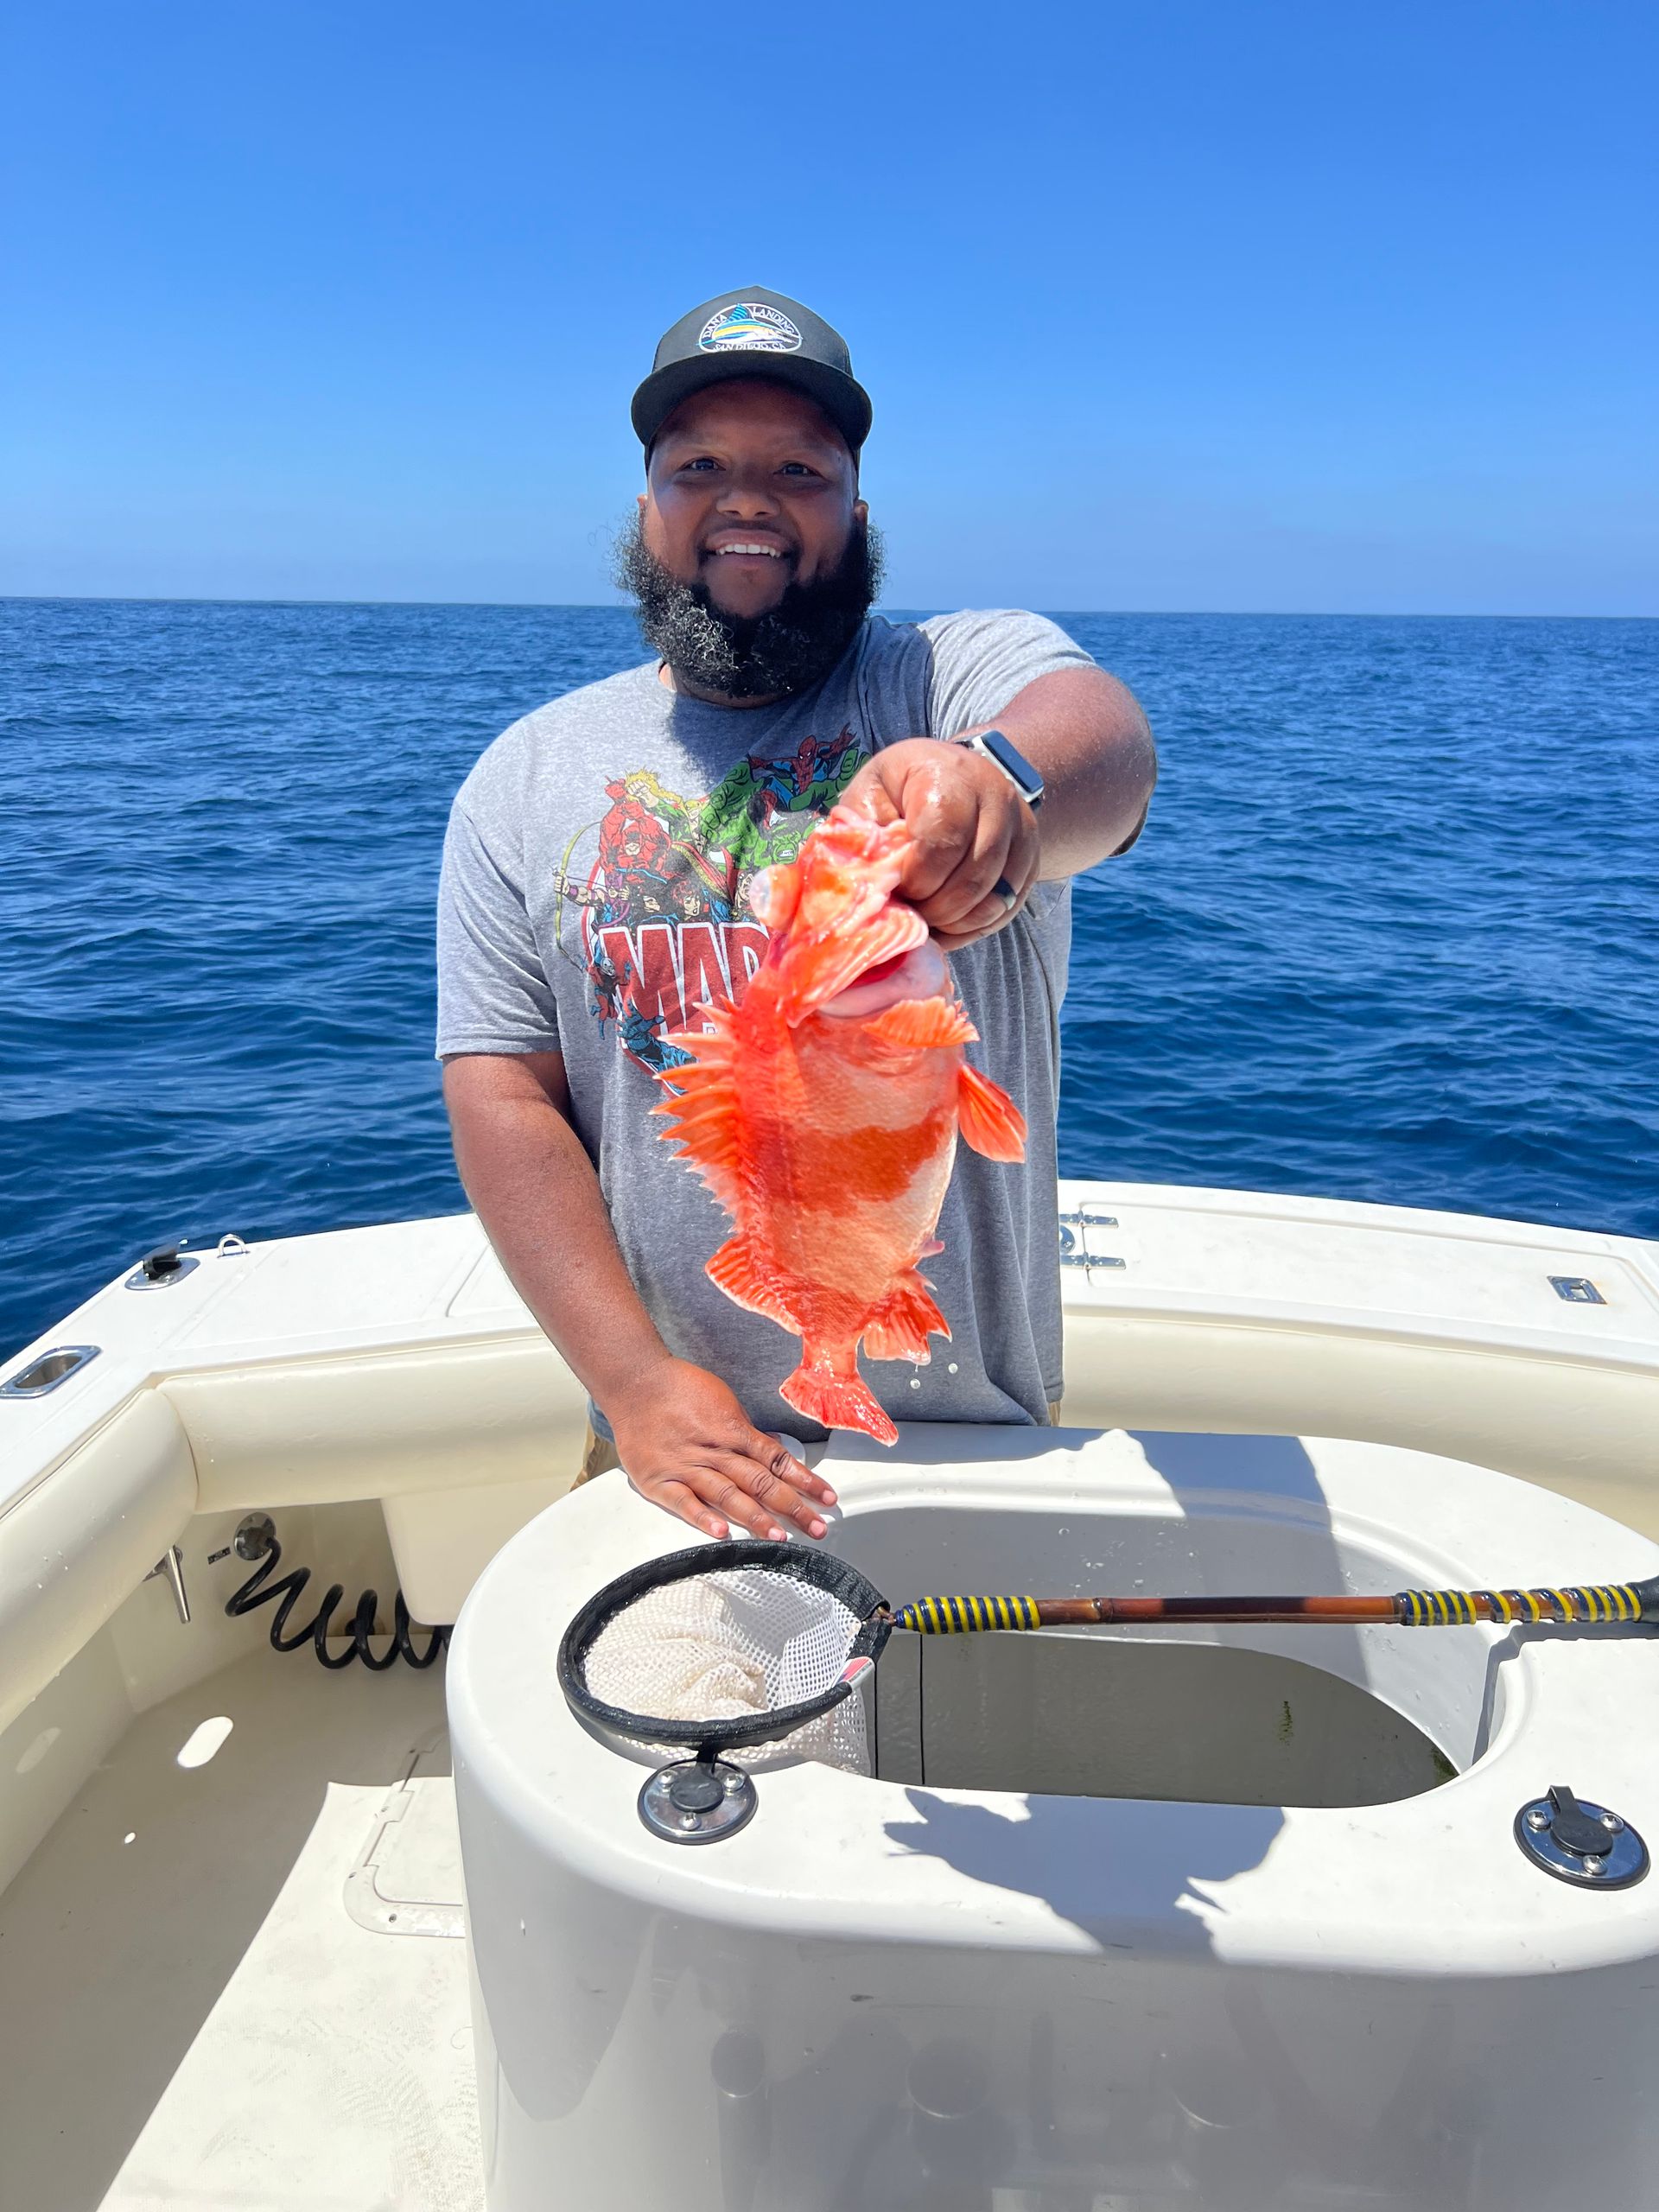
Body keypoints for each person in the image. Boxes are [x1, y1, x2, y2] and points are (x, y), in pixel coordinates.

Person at [437, 287, 1157, 1544]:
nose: (747, 497)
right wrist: (637, 1387)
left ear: (856, 509)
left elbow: (1103, 744)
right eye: (699, 464)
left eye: (799, 469)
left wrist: (1001, 787)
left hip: (977, 1431)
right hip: (679, 1448)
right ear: (648, 505)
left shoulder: (944, 677)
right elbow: (505, 1093)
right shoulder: (526, 773)